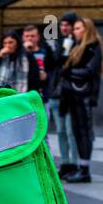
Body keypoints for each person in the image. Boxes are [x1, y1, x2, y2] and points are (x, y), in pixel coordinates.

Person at [58, 16, 103, 184]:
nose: (75, 31)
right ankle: (80, 167)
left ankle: (85, 170)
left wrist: (69, 73)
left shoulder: (93, 47)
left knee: (84, 132)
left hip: (83, 96)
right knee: (77, 132)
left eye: (78, 28)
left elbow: (89, 71)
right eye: (75, 28)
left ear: (87, 30)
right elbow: (62, 65)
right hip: (74, 95)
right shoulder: (77, 46)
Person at [42, 12, 79, 178]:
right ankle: (65, 163)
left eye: (67, 25)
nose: (64, 28)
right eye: (62, 25)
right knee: (61, 131)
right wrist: (51, 47)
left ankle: (74, 164)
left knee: (71, 131)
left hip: (69, 93)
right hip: (56, 93)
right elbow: (51, 65)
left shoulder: (77, 44)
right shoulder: (56, 43)